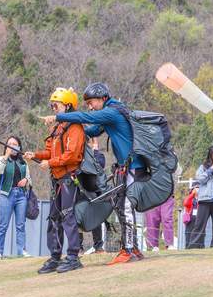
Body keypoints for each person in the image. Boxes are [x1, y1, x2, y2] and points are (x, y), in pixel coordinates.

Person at [42, 82, 145, 265]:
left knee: (126, 207)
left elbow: (84, 118)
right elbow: (92, 130)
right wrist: (71, 132)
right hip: (125, 166)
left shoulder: (112, 111)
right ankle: (133, 247)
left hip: (133, 167)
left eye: (91, 102)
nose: (89, 106)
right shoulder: (112, 113)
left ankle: (129, 250)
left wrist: (59, 117)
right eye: (87, 103)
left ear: (103, 98)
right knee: (122, 207)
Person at [25, 88, 86, 274]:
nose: (53, 109)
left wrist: (49, 162)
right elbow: (51, 152)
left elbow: (71, 155)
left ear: (67, 106)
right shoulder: (58, 128)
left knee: (68, 216)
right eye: (52, 105)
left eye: (56, 105)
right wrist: (35, 155)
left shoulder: (75, 127)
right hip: (57, 180)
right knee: (54, 218)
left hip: (69, 179)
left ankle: (73, 256)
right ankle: (55, 256)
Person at [0, 136, 32, 260]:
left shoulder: (23, 162)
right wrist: (6, 156)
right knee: (3, 225)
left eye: (14, 144)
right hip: (6, 194)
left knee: (20, 225)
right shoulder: (1, 159)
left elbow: (29, 179)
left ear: (19, 146)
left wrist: (26, 180)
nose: (12, 146)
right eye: (9, 144)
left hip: (21, 195)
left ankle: (22, 251)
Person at [145, 163, 181, 251]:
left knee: (167, 217)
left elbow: (178, 171)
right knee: (152, 219)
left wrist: (172, 187)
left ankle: (169, 244)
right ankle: (153, 245)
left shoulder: (170, 154)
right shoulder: (149, 154)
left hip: (167, 193)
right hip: (152, 193)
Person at [81, 137, 106, 255]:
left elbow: (100, 164)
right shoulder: (78, 154)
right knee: (77, 217)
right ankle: (77, 247)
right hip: (79, 189)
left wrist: (95, 148)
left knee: (96, 219)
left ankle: (98, 246)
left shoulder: (98, 155)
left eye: (89, 142)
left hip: (93, 191)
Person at [183, 182, 200, 249]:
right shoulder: (190, 197)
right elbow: (185, 203)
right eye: (196, 188)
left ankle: (199, 247)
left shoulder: (202, 198)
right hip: (190, 220)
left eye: (199, 188)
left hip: (199, 219)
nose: (197, 189)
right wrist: (193, 194)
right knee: (189, 235)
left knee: (198, 234)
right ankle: (188, 248)